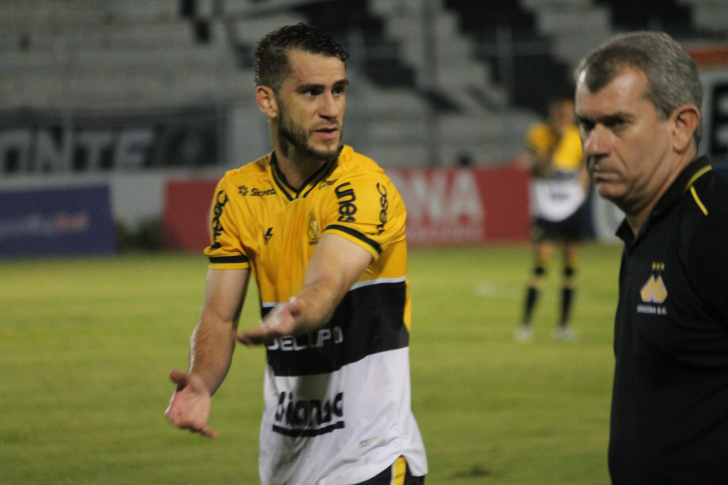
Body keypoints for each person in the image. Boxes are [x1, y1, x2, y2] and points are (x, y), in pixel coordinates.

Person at [165, 23, 427, 485]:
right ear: (267, 100)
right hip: (286, 462)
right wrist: (202, 380)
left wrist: (300, 312)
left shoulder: (366, 186)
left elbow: (328, 282)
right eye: (311, 93)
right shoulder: (238, 192)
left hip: (372, 459)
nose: (331, 110)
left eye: (339, 91)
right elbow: (219, 317)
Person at [575, 31, 728, 484]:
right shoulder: (651, 228)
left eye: (617, 123)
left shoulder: (714, 228)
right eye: (586, 124)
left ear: (681, 125)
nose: (593, 146)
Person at [515, 96, 589, 342]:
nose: (565, 117)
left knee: (570, 268)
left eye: (569, 113)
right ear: (553, 112)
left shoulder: (579, 136)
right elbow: (541, 170)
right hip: (547, 208)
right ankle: (525, 325)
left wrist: (584, 179)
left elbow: (584, 164)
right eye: (561, 112)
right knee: (541, 264)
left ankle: (564, 326)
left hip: (571, 206)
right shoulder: (539, 134)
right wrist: (556, 142)